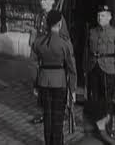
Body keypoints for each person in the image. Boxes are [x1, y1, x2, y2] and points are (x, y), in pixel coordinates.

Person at [32, 10, 77, 145]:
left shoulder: (39, 42)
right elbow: (72, 68)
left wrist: (35, 84)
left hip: (43, 82)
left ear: (47, 23)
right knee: (57, 119)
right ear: (59, 23)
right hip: (60, 83)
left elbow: (33, 64)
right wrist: (73, 89)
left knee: (47, 117)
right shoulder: (65, 43)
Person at [30, 0, 72, 124]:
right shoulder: (39, 16)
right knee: (41, 83)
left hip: (55, 55)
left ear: (52, 1)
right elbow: (35, 34)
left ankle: (62, 111)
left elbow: (65, 38)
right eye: (42, 0)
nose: (43, 2)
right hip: (42, 53)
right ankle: (44, 112)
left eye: (46, 0)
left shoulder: (58, 17)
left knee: (58, 85)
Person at [83, 5, 115, 135]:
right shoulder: (92, 32)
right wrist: (85, 68)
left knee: (107, 101)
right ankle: (96, 127)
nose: (100, 18)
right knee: (94, 99)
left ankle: (107, 129)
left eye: (103, 15)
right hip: (93, 68)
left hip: (108, 68)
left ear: (110, 17)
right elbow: (86, 51)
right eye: (98, 15)